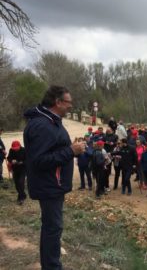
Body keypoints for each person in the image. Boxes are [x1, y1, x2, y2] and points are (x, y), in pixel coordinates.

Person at [23, 86, 86, 269]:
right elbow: (39, 161)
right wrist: (70, 151)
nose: (70, 106)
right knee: (53, 228)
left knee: (51, 227)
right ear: (57, 102)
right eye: (68, 102)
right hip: (49, 186)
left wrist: (69, 149)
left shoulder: (51, 121)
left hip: (53, 184)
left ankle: (50, 265)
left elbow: (52, 149)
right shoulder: (42, 125)